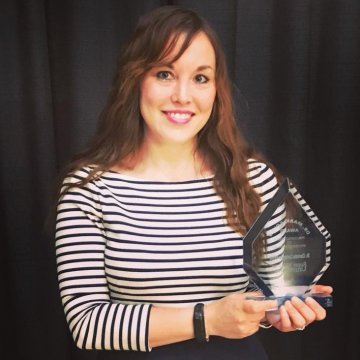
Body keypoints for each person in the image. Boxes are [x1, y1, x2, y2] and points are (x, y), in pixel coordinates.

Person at [55, 5, 332, 359]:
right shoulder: (88, 188)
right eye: (165, 74)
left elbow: (266, 294)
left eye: (200, 78)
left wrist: (278, 309)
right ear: (135, 79)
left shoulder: (254, 178)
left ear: (216, 90)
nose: (183, 96)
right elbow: (87, 324)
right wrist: (208, 319)